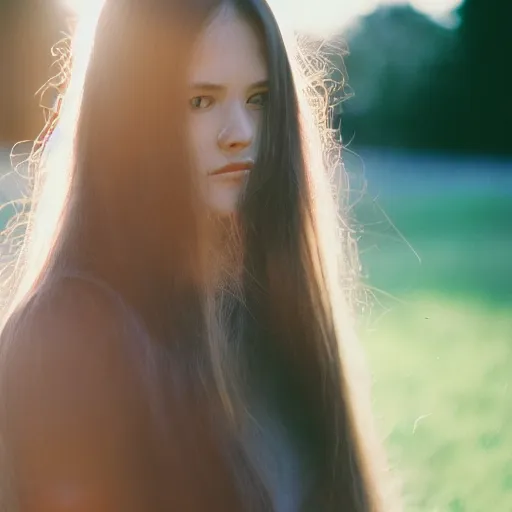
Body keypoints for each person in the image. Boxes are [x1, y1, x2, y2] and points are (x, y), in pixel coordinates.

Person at [0, 0, 394, 510]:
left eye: (258, 98)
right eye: (200, 102)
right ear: (127, 117)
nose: (242, 134)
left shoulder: (268, 309)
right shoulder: (65, 337)